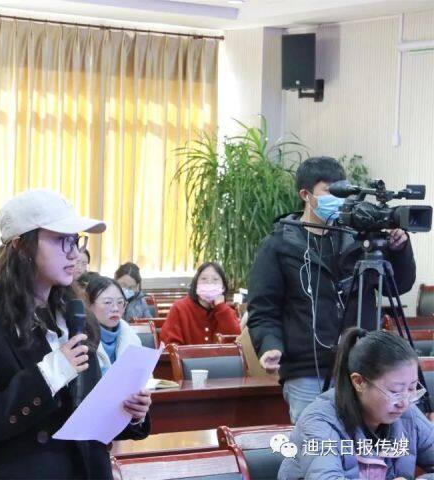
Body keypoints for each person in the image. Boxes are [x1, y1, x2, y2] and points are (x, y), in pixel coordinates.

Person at [0, 189, 151, 479]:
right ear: (21, 246)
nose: (73, 252)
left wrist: (128, 412)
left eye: (75, 240)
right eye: (59, 239)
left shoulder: (75, 313)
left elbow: (83, 415)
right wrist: (50, 374)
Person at [247, 157, 416, 423]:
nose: (339, 199)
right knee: (317, 441)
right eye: (330, 191)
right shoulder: (279, 245)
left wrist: (399, 250)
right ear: (306, 195)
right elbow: (263, 307)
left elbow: (399, 286)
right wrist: (270, 345)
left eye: (343, 191)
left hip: (363, 366)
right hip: (306, 369)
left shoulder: (358, 238)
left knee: (364, 442)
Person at [279, 328, 434, 479]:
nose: (404, 402)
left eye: (412, 388)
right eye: (395, 391)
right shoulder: (319, 421)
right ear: (359, 382)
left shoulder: (407, 414)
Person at [159, 262, 240, 345]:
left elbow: (236, 340)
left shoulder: (226, 311)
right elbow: (169, 343)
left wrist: (221, 307)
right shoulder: (179, 308)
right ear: (196, 284)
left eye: (215, 279)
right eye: (204, 279)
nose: (209, 283)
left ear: (223, 287)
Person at [85, 275, 142, 375]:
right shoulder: (80, 339)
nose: (115, 309)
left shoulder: (131, 336)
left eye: (120, 302)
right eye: (108, 302)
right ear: (89, 305)